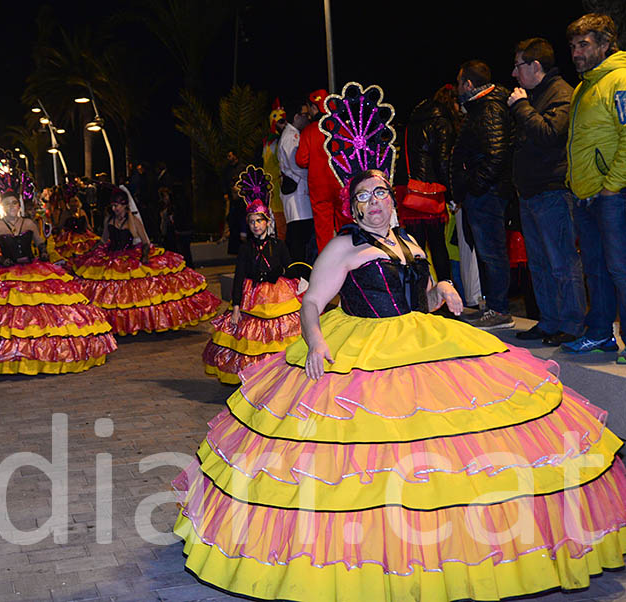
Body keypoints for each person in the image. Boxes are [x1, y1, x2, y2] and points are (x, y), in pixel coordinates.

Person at [172, 169, 626, 602]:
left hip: (418, 342)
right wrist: (314, 343)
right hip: (362, 352)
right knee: (365, 458)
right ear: (353, 208)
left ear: (392, 199)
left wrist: (441, 293)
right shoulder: (343, 246)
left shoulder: (409, 241)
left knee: (450, 449)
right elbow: (311, 301)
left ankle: (452, 558)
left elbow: (420, 302)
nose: (374, 202)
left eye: (381, 193)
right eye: (364, 197)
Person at [0, 182, 116, 375]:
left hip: (33, 268)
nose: (12, 207)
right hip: (9, 270)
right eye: (8, 203)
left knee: (48, 308)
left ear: (19, 206)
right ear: (3, 206)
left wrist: (43, 252)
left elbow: (40, 242)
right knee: (13, 312)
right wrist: (0, 259)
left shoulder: (29, 223)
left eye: (15, 203)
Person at [506, 38, 585, 347]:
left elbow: (549, 135)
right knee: (538, 264)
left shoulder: (561, 93)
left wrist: (522, 107)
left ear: (535, 66)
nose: (514, 73)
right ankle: (550, 321)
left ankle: (572, 324)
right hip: (531, 193)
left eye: (518, 65)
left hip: (552, 192)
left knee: (562, 263)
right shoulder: (539, 94)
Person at [561, 14, 626, 362]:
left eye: (583, 44)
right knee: (596, 269)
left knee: (621, 268)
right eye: (572, 46)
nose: (575, 52)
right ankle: (600, 334)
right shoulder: (586, 85)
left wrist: (612, 188)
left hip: (612, 195)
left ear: (605, 44)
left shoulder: (620, 79)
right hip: (586, 195)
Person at [72, 187, 220, 335]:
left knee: (135, 293)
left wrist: (145, 255)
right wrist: (90, 252)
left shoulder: (133, 220)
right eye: (113, 206)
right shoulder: (109, 219)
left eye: (117, 205)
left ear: (124, 205)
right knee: (108, 293)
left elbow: (145, 242)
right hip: (111, 257)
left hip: (129, 257)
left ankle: (138, 323)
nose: (114, 208)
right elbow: (104, 240)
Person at [202, 166, 301, 384]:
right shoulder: (246, 249)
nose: (256, 226)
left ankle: (280, 374)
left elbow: (291, 268)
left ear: (268, 222)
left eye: (260, 220)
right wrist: (236, 307)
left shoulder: (279, 245)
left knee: (278, 335)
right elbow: (239, 276)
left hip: (278, 295)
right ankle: (255, 374)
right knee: (252, 338)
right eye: (252, 222)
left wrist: (300, 278)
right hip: (252, 296)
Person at [451, 60, 515, 329]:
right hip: (482, 194)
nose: (456, 88)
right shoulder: (480, 108)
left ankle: (499, 310)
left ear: (468, 84)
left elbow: (496, 154)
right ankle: (491, 307)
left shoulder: (488, 108)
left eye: (458, 83)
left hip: (488, 194)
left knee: (492, 253)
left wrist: (474, 185)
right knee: (486, 254)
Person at [399, 84, 458, 284]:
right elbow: (443, 162)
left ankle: (419, 293)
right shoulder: (442, 122)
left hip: (409, 191)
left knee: (415, 246)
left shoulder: (412, 121)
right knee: (438, 244)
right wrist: (451, 193)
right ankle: (445, 290)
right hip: (431, 192)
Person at [296, 89, 344, 251]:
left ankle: (328, 268)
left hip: (319, 188)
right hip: (341, 183)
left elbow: (301, 161)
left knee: (323, 232)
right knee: (347, 226)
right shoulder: (341, 127)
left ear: (315, 107)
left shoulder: (309, 131)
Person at [278, 103, 314, 263]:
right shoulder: (292, 137)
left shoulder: (294, 134)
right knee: (299, 236)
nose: (308, 118)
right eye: (305, 114)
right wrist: (315, 176)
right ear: (296, 117)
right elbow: (297, 165)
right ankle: (298, 271)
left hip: (298, 191)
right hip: (298, 193)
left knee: (300, 235)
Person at [262, 99, 287, 239]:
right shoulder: (274, 141)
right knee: (278, 218)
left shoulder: (270, 141)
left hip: (274, 186)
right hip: (274, 186)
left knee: (278, 218)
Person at [221, 151, 245, 254]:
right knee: (232, 222)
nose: (229, 158)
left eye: (230, 155)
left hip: (242, 201)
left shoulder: (243, 168)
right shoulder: (227, 170)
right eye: (228, 156)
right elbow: (224, 182)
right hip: (233, 201)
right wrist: (227, 193)